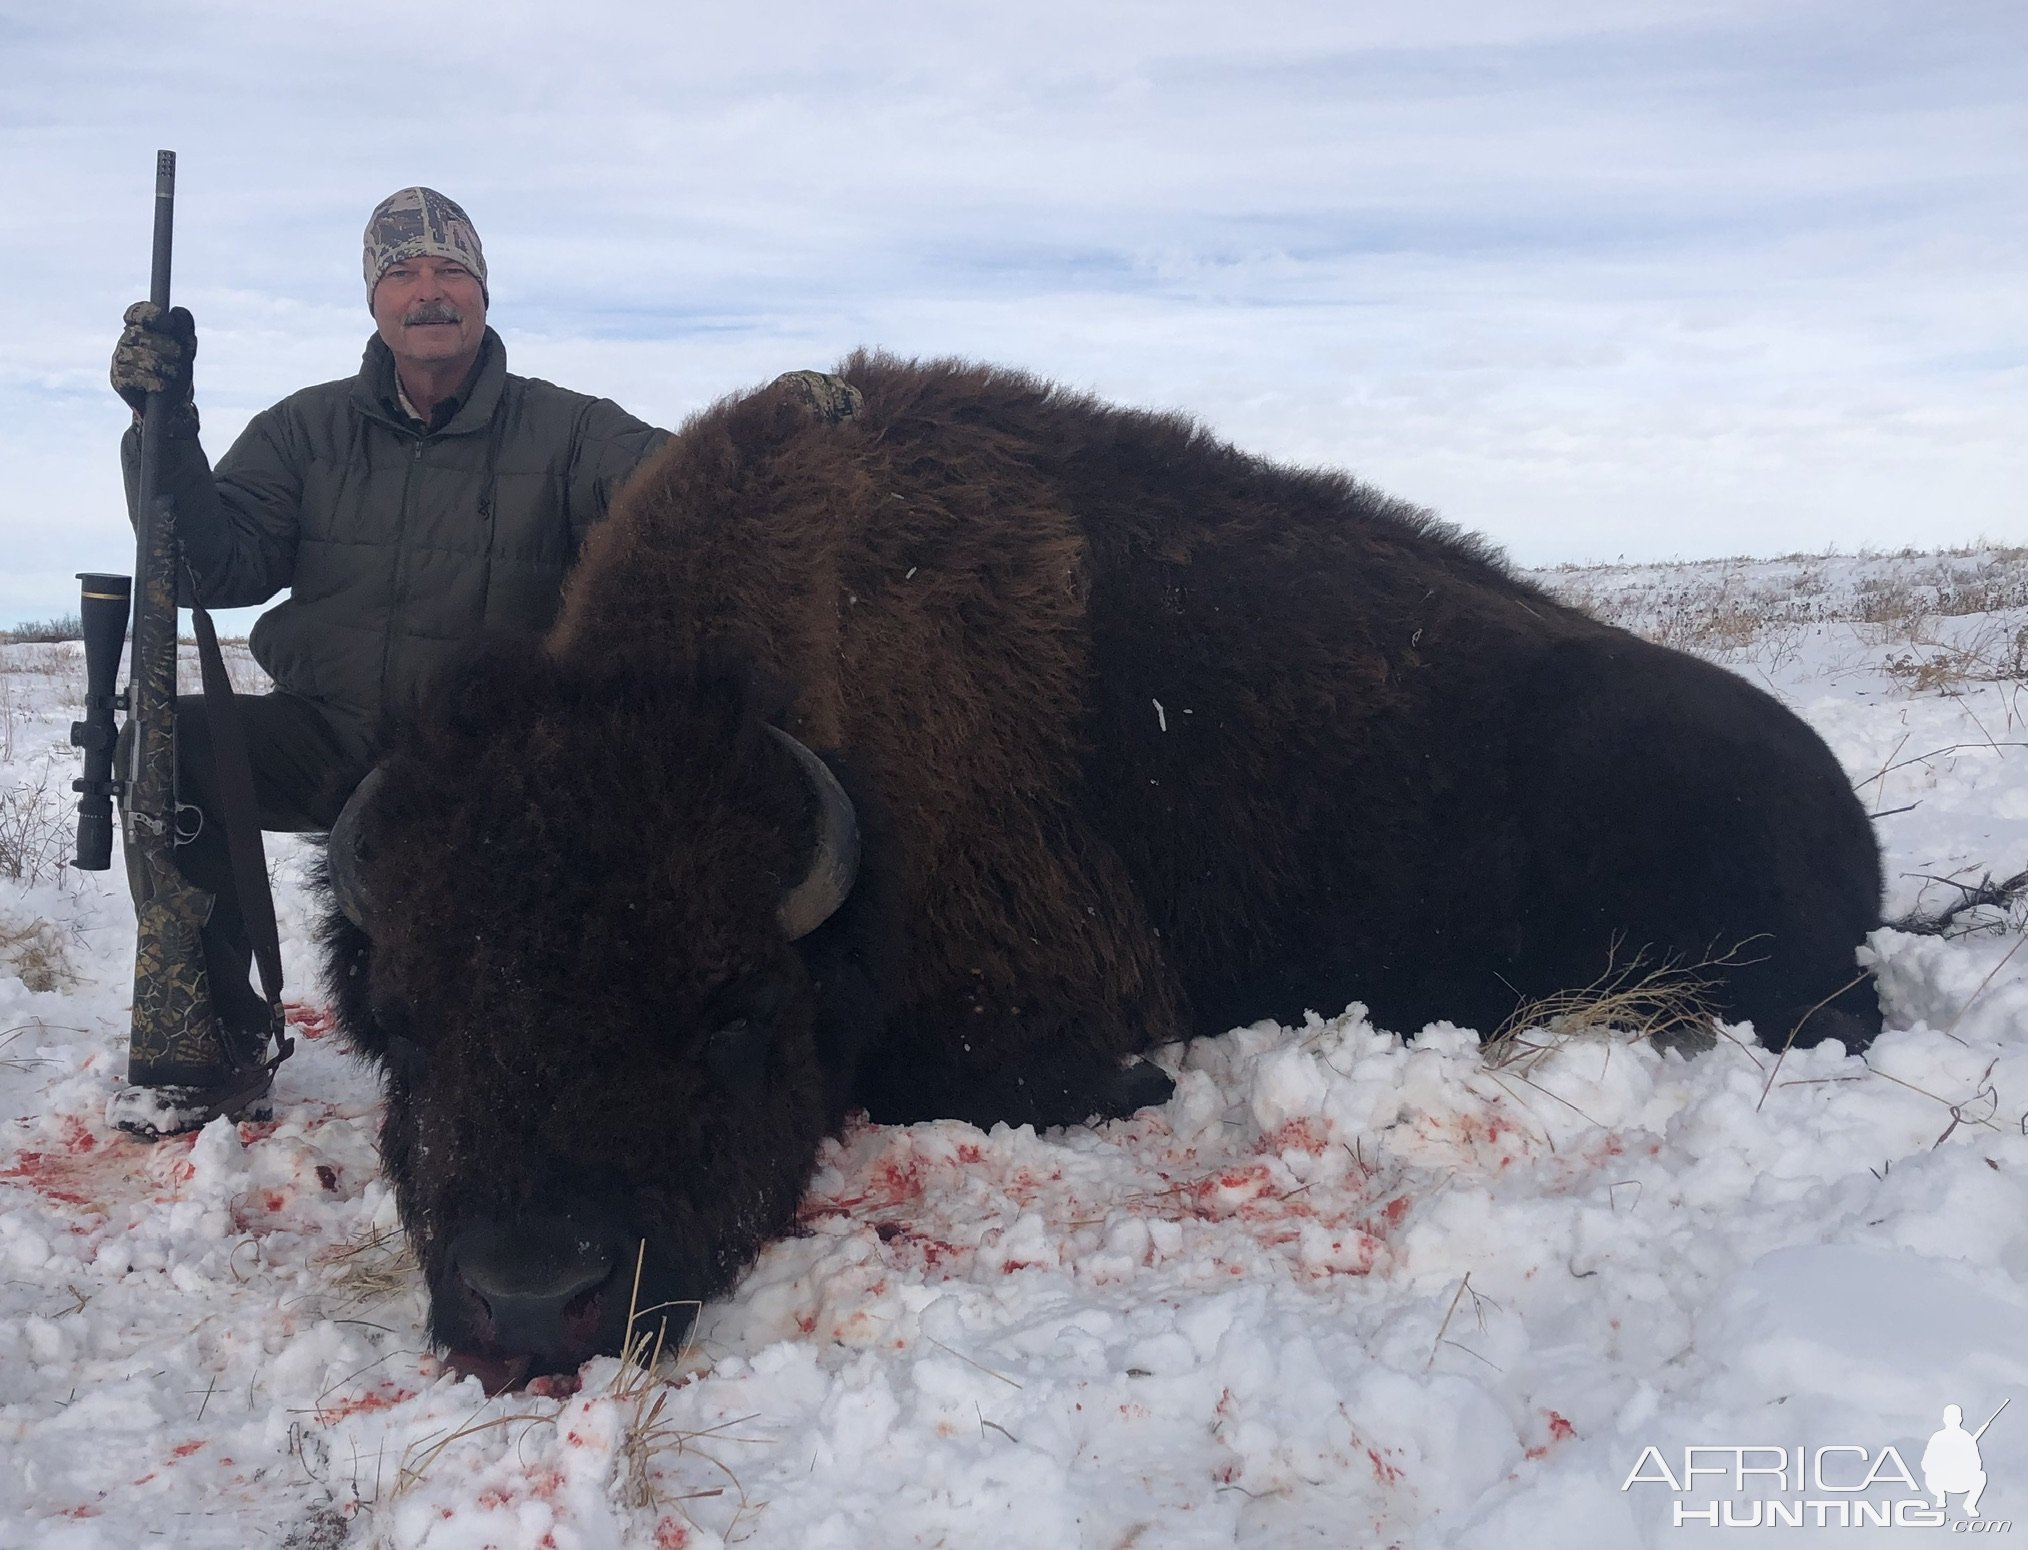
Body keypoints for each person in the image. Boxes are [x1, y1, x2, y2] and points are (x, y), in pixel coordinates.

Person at [106, 187, 669, 1137]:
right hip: (327, 732)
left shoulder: (573, 430)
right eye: (402, 273)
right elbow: (215, 566)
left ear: (483, 293)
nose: (428, 292)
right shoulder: (304, 429)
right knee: (172, 747)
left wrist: (775, 434)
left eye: (450, 270)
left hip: (486, 763)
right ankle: (213, 1035)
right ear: (374, 301)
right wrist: (164, 431)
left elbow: (682, 496)